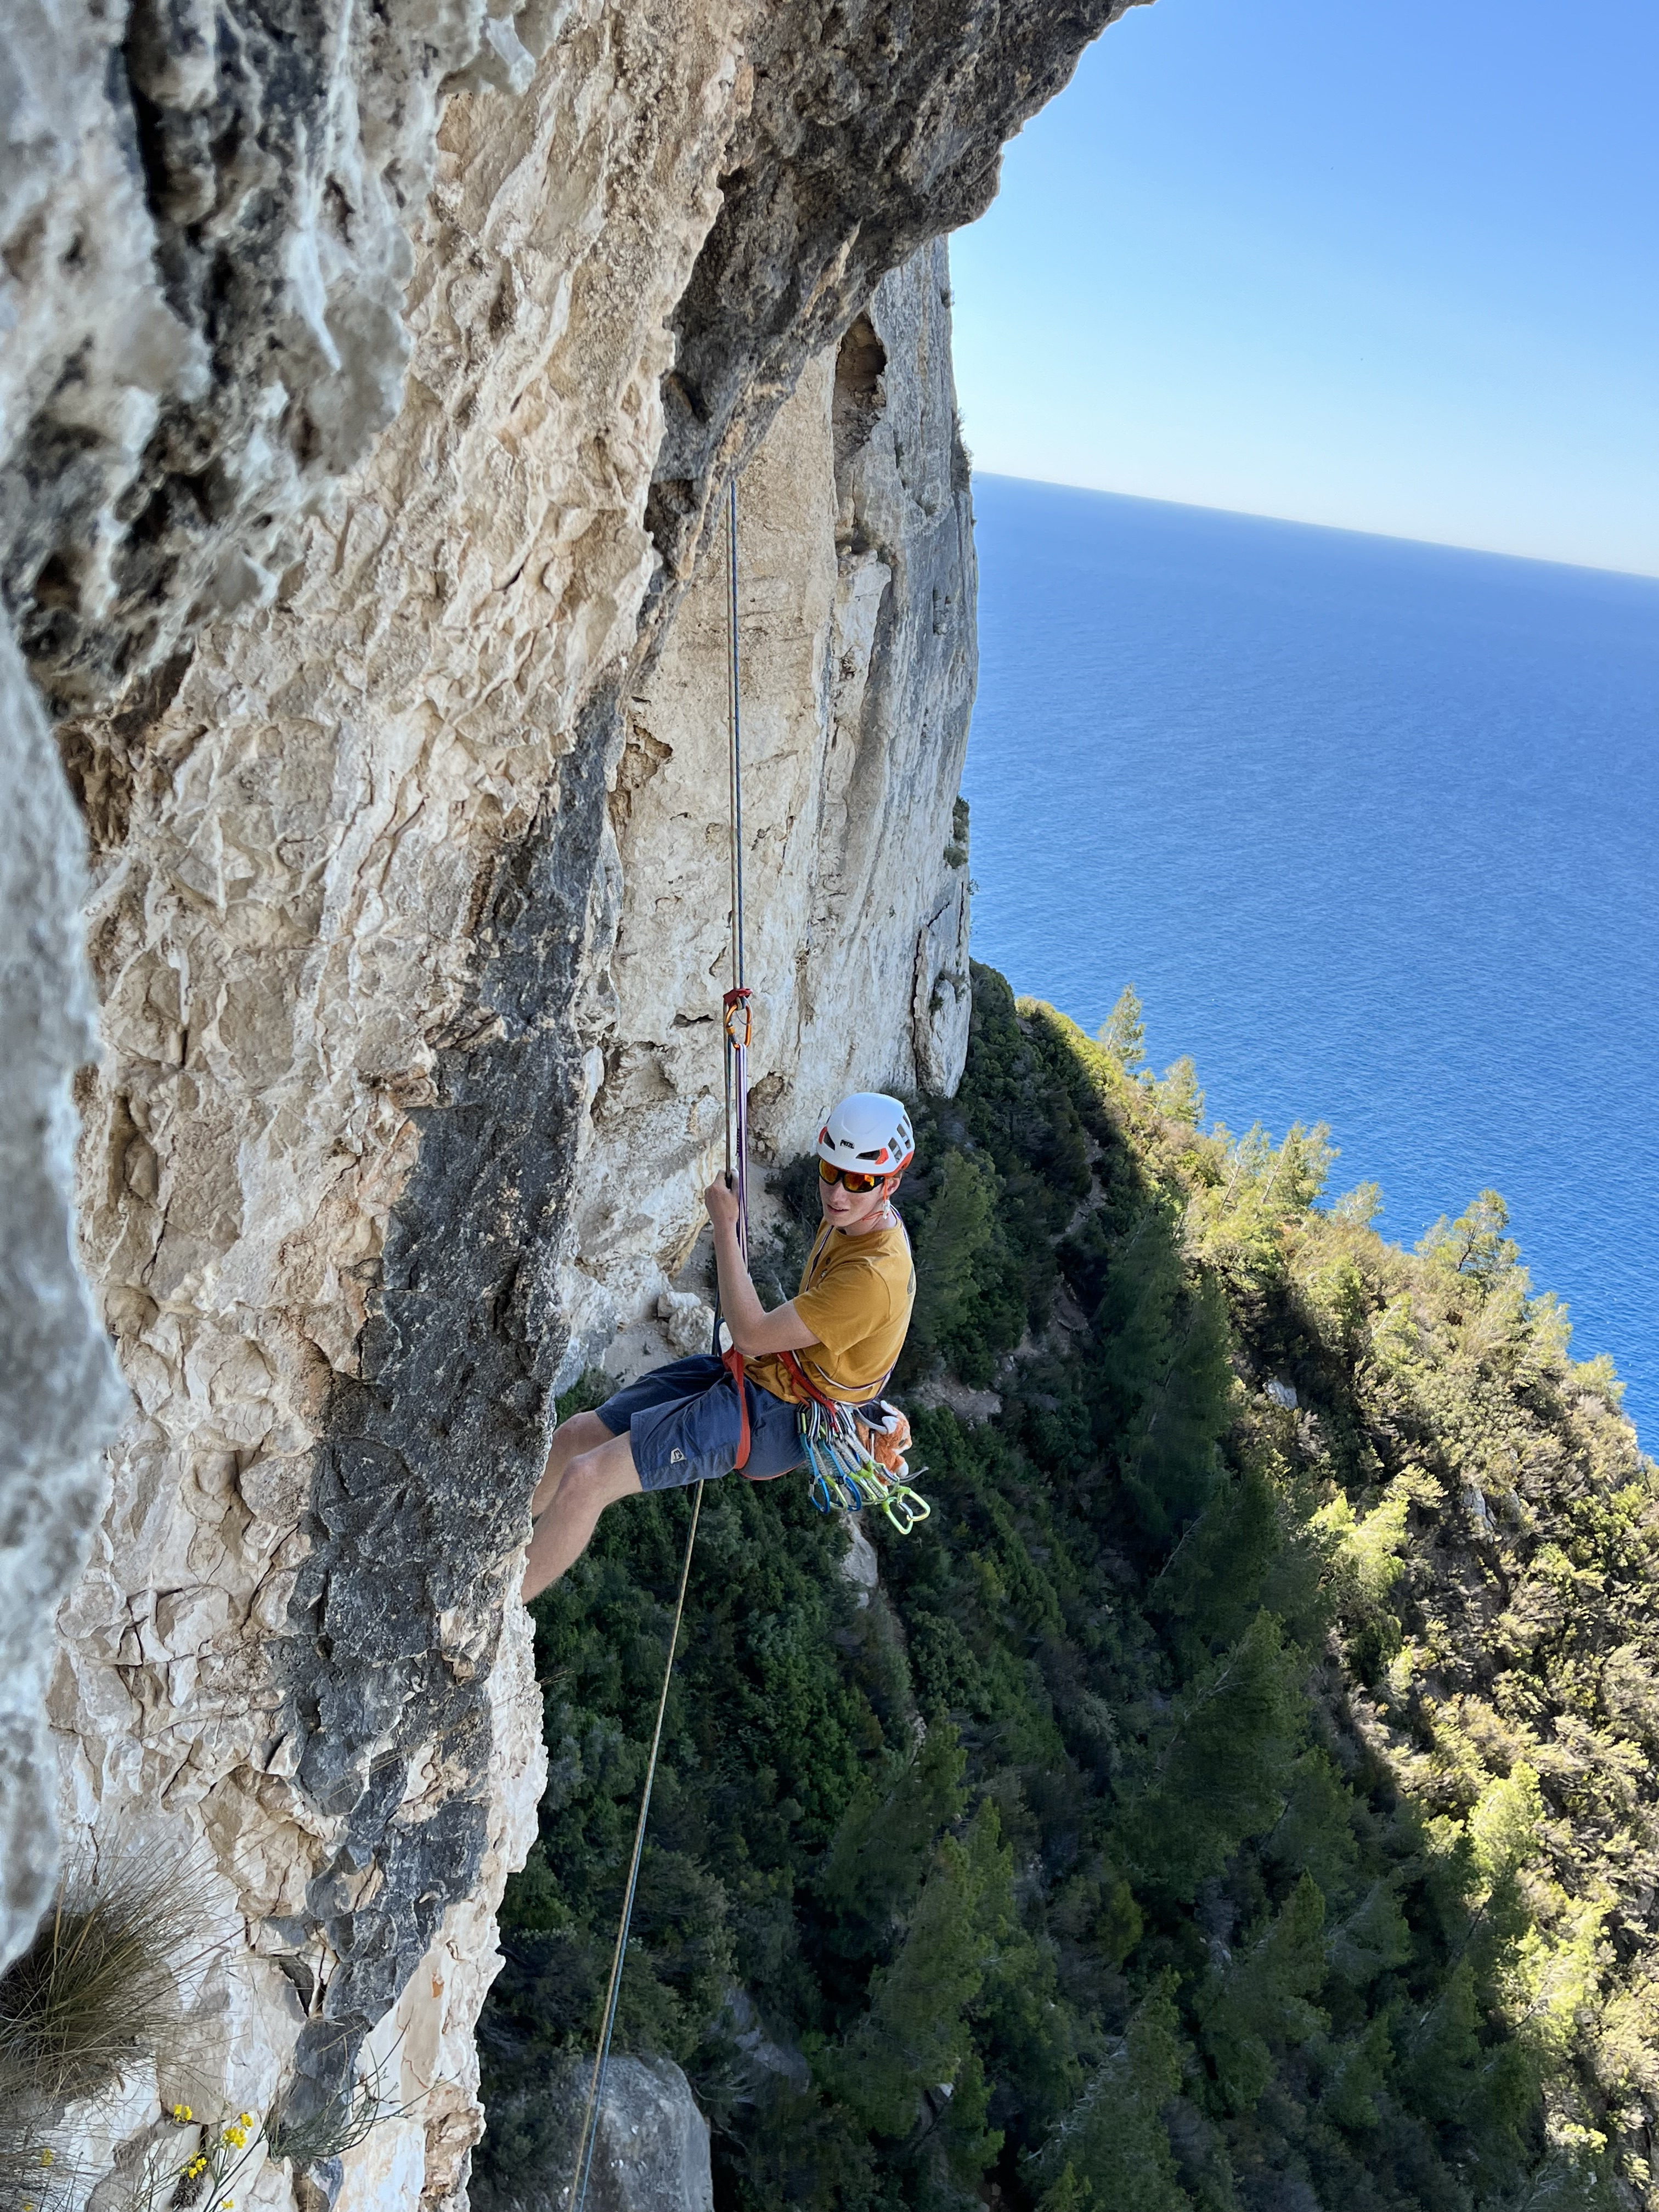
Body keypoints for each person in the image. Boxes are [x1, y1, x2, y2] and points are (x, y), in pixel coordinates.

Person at [522, 1093, 917, 1598]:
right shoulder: (857, 1219)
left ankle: (489, 1611)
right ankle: (497, 1533)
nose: (838, 1193)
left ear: (892, 1183)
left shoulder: (872, 1278)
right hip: (759, 1374)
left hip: (776, 1414)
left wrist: (724, 1229)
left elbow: (750, 1331)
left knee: (587, 1479)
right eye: (830, 1170)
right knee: (579, 1434)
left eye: (860, 1181)